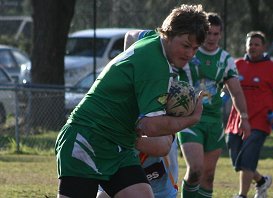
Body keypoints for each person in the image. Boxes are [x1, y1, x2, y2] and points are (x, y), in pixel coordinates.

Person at [55, 4, 209, 198]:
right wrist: (191, 119)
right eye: (186, 45)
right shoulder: (155, 66)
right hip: (87, 136)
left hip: (118, 144)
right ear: (168, 34)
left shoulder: (153, 39)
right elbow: (150, 127)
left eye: (195, 48)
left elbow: (132, 35)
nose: (189, 54)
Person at [177, 12, 251, 198]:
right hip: (190, 119)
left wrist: (244, 117)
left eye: (216, 34)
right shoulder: (189, 51)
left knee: (208, 176)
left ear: (221, 35)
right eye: (209, 33)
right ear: (203, 32)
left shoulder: (225, 59)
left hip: (214, 120)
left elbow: (236, 91)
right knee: (195, 170)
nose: (211, 38)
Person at [225, 31, 273, 198]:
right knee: (237, 161)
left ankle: (242, 195)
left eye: (256, 44)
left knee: (247, 158)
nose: (253, 47)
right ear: (246, 46)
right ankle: (261, 181)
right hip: (237, 122)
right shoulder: (237, 64)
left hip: (260, 122)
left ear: (264, 47)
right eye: (250, 44)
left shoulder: (272, 68)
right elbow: (225, 86)